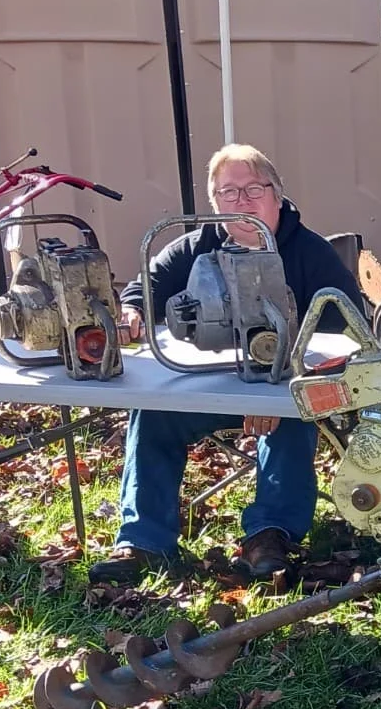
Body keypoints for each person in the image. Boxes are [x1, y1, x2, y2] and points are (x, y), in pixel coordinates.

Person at [90, 145, 366, 587]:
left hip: (290, 383)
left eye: (253, 188)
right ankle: (144, 542)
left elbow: (352, 325)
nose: (241, 201)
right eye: (228, 193)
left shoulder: (309, 252)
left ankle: (269, 537)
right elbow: (146, 287)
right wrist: (134, 312)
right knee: (154, 412)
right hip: (209, 386)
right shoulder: (196, 245)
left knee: (294, 417)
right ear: (214, 203)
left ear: (277, 195)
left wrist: (278, 388)